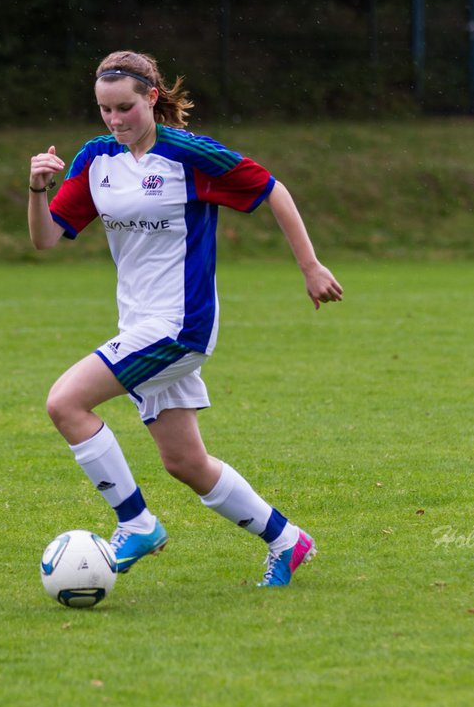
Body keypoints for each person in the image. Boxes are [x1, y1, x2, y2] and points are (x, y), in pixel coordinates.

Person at [27, 50, 342, 587]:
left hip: (180, 325)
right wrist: (38, 188)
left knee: (66, 402)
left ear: (152, 98)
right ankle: (289, 541)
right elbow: (44, 239)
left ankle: (136, 524)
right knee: (185, 463)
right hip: (139, 325)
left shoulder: (189, 156)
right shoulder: (95, 160)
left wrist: (310, 266)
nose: (115, 120)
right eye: (105, 110)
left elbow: (272, 189)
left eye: (125, 107)